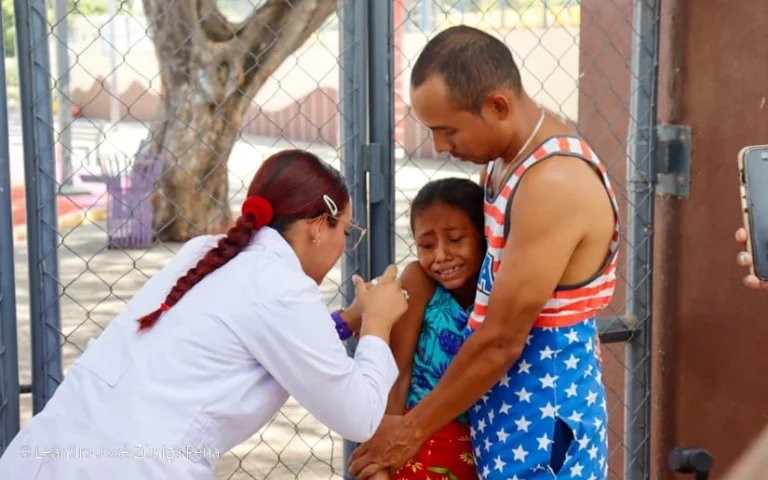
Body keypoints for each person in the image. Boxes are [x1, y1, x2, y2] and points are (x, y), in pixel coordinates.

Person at [0, 149, 408, 479]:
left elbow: (266, 344)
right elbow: (358, 415)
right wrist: (378, 325)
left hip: (45, 454)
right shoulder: (282, 287)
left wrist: (348, 321)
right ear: (318, 226)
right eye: (345, 232)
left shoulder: (203, 253)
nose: (343, 247)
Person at [349, 25, 618, 479]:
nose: (440, 146)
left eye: (448, 130)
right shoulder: (503, 163)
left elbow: (502, 338)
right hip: (503, 422)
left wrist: (410, 431)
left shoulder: (552, 183)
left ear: (498, 106)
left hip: (545, 428)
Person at [370, 178, 485, 480]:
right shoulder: (419, 282)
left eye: (455, 239)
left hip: (487, 449)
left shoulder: (500, 290)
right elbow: (397, 375)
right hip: (416, 447)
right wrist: (381, 464)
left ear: (483, 236)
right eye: (427, 245)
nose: (441, 256)